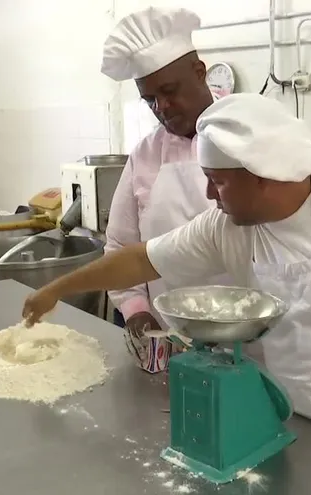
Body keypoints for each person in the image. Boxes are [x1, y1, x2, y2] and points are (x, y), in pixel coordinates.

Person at [22, 94, 311, 475]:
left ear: (265, 178)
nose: (208, 195)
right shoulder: (226, 227)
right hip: (293, 429)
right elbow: (142, 260)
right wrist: (57, 288)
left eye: (217, 182)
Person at [102, 6, 229, 373]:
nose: (162, 107)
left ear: (199, 72)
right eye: (150, 99)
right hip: (171, 346)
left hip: (252, 347)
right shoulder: (145, 155)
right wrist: (136, 311)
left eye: (169, 91)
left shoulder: (249, 136)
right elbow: (121, 247)